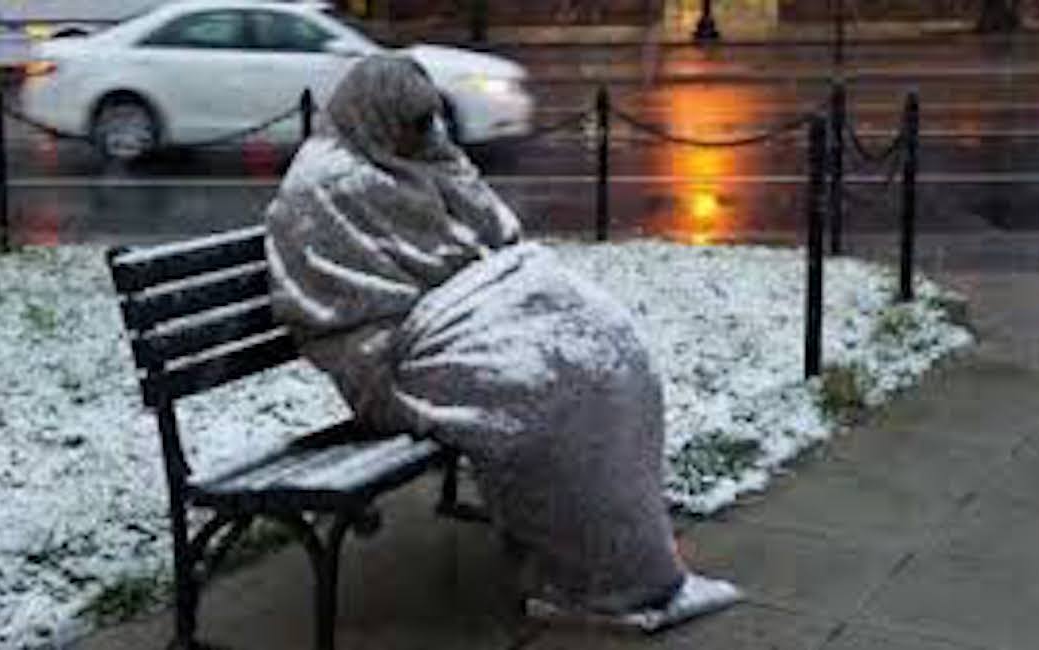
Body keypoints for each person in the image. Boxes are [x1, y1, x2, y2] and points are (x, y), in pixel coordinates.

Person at [265, 54, 740, 630]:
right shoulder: (327, 182)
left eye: (429, 122)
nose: (425, 135)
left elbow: (497, 235)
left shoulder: (412, 155)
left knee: (611, 354)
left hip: (459, 315)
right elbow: (362, 301)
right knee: (545, 394)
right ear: (375, 116)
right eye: (413, 124)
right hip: (393, 358)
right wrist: (460, 288)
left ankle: (629, 562)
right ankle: (585, 578)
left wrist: (449, 167)